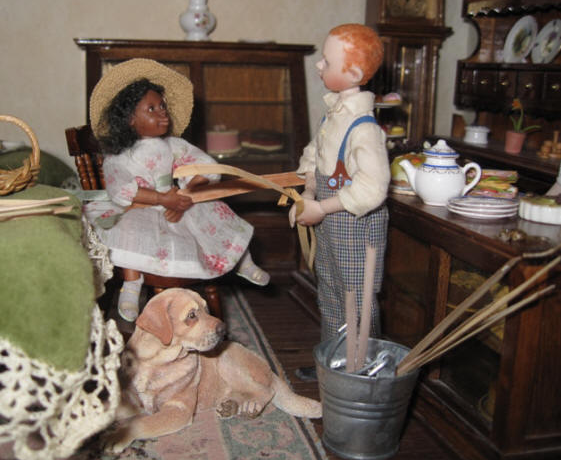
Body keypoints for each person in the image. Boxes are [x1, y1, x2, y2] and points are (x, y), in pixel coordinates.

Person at [85, 58, 269, 322]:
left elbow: (203, 164)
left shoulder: (173, 144)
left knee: (216, 212)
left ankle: (242, 260)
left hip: (176, 199)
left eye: (162, 106)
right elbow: (120, 188)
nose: (162, 113)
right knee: (130, 231)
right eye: (151, 108)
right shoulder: (121, 155)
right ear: (129, 120)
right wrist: (161, 198)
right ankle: (131, 285)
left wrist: (189, 190)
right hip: (142, 204)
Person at [289, 24, 389, 380]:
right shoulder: (334, 113)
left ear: (354, 74)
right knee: (331, 294)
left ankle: (361, 371)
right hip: (331, 220)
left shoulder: (364, 128)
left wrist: (323, 208)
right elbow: (317, 157)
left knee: (357, 303)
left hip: (354, 226)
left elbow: (372, 189)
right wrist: (309, 192)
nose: (318, 66)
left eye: (327, 62)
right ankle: (335, 364)